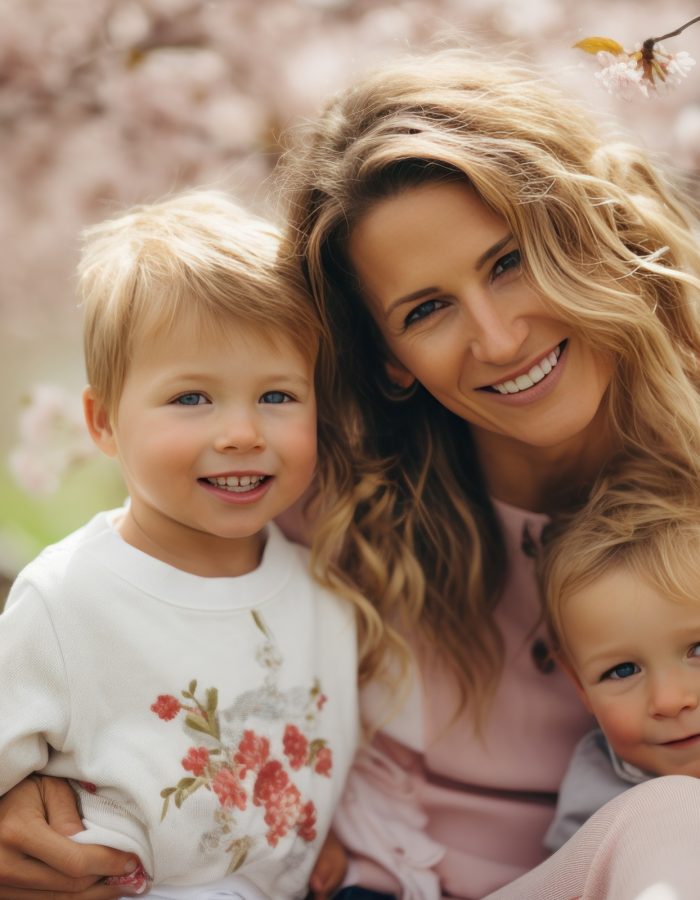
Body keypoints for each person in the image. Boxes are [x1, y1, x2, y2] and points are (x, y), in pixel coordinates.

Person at [3, 44, 700, 900]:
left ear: (581, 230)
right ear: (391, 357)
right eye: (428, 309)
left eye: (509, 260)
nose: (499, 338)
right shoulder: (322, 499)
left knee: (673, 817)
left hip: (633, 869)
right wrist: (29, 795)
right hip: (376, 886)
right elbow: (119, 606)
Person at [0, 190, 372, 899]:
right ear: (104, 423)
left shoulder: (325, 595)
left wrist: (313, 843)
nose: (241, 433)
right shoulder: (69, 598)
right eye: (192, 398)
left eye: (277, 396)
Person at [537, 479, 700, 852]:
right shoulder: (597, 805)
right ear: (580, 686)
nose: (670, 700)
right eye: (622, 671)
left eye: (698, 649)